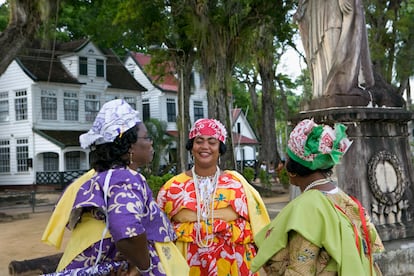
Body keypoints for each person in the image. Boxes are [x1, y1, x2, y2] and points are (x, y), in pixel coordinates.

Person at [42, 99, 188, 275]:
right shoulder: (125, 179)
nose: (151, 143)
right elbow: (127, 231)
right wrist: (145, 267)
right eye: (146, 137)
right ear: (129, 146)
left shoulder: (103, 176)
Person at [251, 119, 384, 275]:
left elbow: (300, 268)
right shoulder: (346, 199)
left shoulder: (307, 207)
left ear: (292, 170)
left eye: (287, 159)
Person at [156, 118, 270, 276]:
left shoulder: (236, 185)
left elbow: (258, 228)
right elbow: (157, 232)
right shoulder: (172, 188)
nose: (205, 147)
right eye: (199, 141)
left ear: (220, 148)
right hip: (187, 268)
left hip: (234, 266)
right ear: (191, 146)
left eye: (212, 142)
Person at [294, 0, 374, 98]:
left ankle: (339, 87)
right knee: (322, 54)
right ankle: (325, 91)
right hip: (316, 9)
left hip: (331, 10)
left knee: (337, 48)